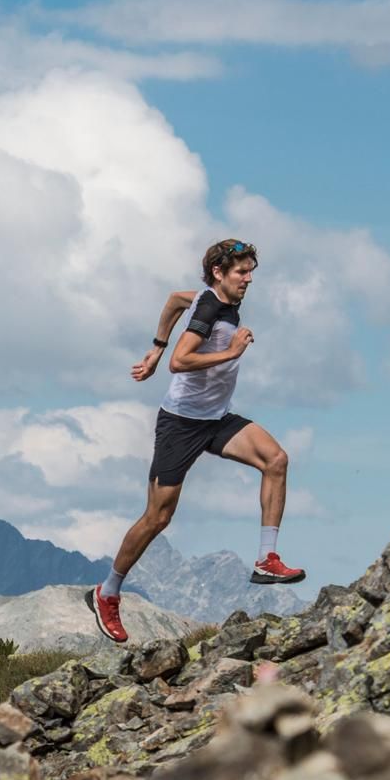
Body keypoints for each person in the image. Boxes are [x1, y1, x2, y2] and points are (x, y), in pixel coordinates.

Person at [90, 237, 305, 644]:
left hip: (216, 419)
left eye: (251, 272)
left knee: (275, 460)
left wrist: (154, 346)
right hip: (181, 424)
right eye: (242, 272)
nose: (249, 279)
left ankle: (266, 558)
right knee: (158, 518)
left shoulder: (213, 298)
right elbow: (181, 361)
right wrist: (231, 352)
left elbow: (174, 300)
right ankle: (108, 592)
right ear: (219, 274)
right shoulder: (209, 308)